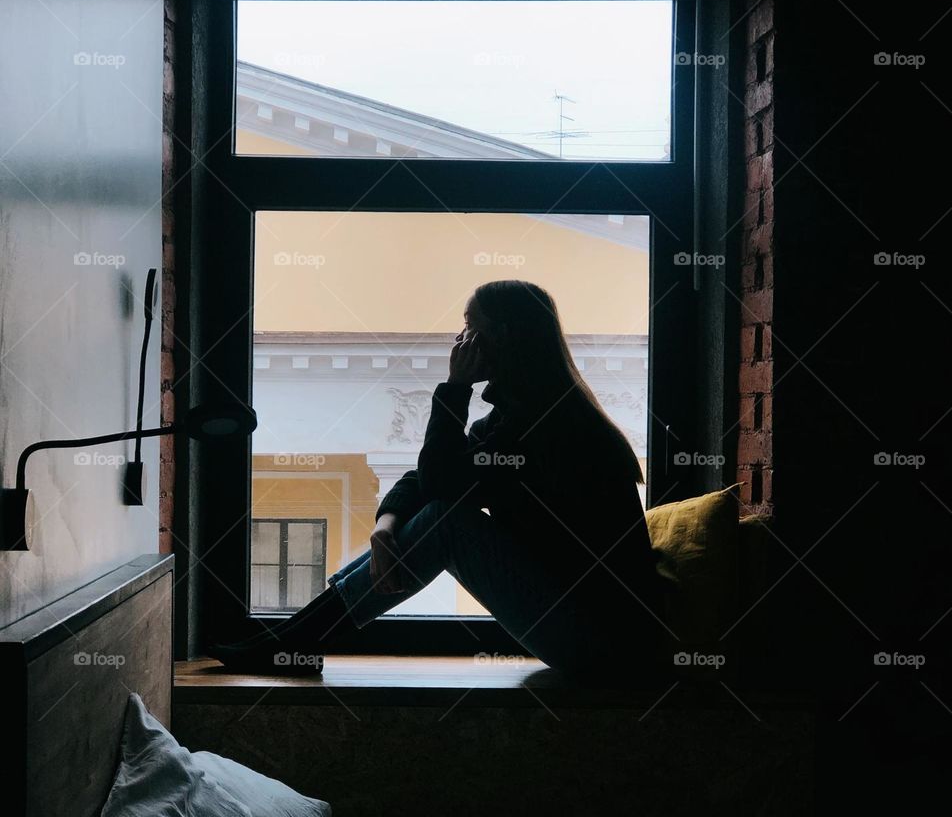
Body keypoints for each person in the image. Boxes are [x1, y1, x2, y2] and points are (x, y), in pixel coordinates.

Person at [213, 280, 669, 681]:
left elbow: (443, 484)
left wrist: (454, 389)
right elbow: (423, 477)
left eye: (471, 327)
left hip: (602, 644)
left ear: (503, 336)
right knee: (440, 517)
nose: (461, 340)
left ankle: (294, 644)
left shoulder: (553, 427)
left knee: (448, 523)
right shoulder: (513, 418)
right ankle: (290, 642)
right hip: (577, 627)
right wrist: (385, 527)